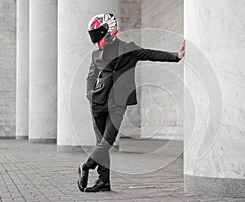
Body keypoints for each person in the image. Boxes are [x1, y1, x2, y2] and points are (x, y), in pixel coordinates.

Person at [77, 13, 185, 192]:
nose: (95, 39)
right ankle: (104, 181)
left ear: (109, 31)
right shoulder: (96, 54)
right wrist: (90, 95)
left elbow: (150, 53)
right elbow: (91, 76)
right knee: (101, 145)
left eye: (97, 34)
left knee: (107, 142)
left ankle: (85, 167)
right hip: (97, 104)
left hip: (118, 104)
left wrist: (176, 56)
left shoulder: (129, 49)